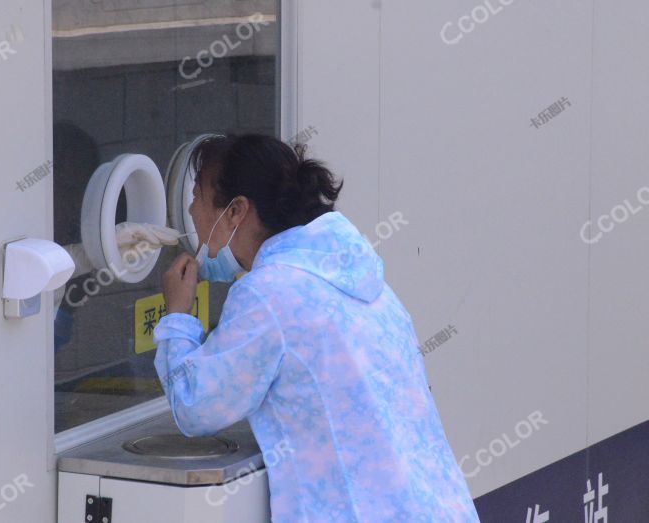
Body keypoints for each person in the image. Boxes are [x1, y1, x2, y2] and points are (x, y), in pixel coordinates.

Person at [153, 134, 480, 522]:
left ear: (237, 210)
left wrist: (177, 316)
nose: (189, 210)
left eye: (197, 195)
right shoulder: (357, 274)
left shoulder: (269, 293)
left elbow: (195, 405)